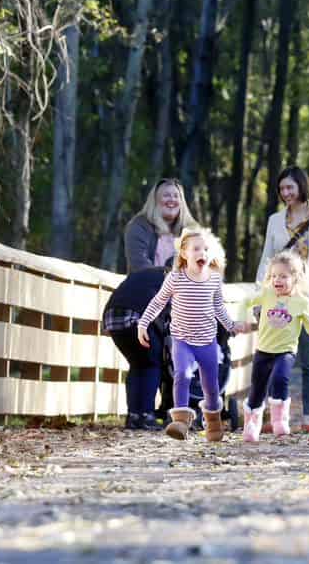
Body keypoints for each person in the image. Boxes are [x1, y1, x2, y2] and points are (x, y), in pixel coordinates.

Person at [138, 227, 245, 441]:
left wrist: (231, 324)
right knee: (182, 374)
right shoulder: (175, 278)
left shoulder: (214, 279)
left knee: (212, 387)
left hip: (207, 342)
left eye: (206, 249)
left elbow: (218, 307)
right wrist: (143, 323)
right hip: (182, 339)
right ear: (184, 254)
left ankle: (213, 422)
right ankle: (180, 422)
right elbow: (159, 301)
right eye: (196, 249)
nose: (202, 253)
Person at [256, 165, 309, 434]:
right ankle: (274, 416)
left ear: (302, 186)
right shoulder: (274, 221)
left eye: (290, 187)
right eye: (281, 189)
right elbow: (266, 261)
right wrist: (260, 298)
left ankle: (308, 418)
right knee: (272, 356)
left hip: (308, 299)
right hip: (278, 299)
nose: (286, 193)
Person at [242, 251, 309, 442]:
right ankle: (252, 424)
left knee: (280, 378)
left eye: (283, 276)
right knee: (257, 389)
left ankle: (279, 420)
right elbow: (245, 301)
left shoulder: (302, 302)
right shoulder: (267, 294)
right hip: (263, 350)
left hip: (285, 351)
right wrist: (240, 320)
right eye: (274, 276)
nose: (277, 280)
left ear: (295, 278)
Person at [101, 266, 168, 430]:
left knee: (137, 364)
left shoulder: (147, 274)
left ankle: (133, 416)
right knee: (152, 363)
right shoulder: (172, 278)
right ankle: (146, 415)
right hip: (134, 316)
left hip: (111, 319)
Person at [125, 179, 196, 274]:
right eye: (166, 195)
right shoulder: (139, 226)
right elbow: (140, 266)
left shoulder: (190, 232)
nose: (172, 200)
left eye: (176, 196)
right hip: (147, 286)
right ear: (155, 200)